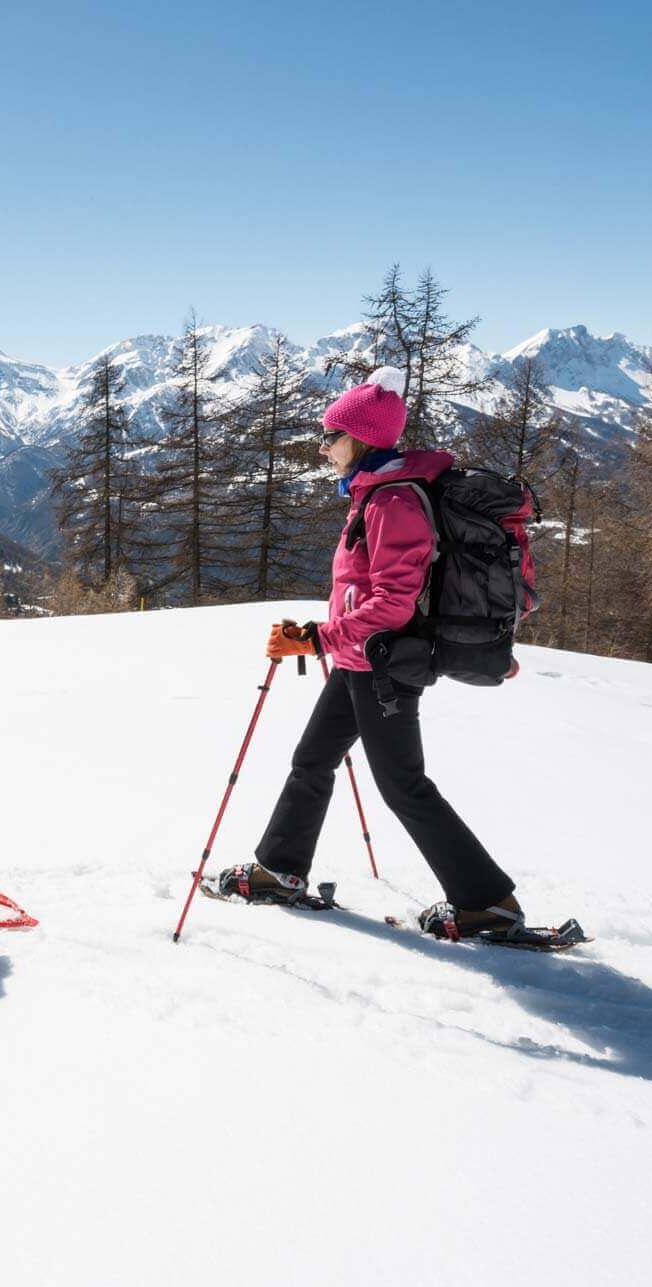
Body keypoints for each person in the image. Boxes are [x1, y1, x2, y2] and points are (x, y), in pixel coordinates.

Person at [215, 377, 528, 938]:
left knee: (403, 786)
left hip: (383, 666)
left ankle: (487, 901)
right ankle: (280, 870)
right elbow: (365, 592)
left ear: (358, 439)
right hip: (361, 660)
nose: (322, 447)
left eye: (329, 436)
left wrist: (317, 639)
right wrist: (325, 632)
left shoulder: (392, 500)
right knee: (312, 761)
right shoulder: (375, 493)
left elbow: (392, 602)